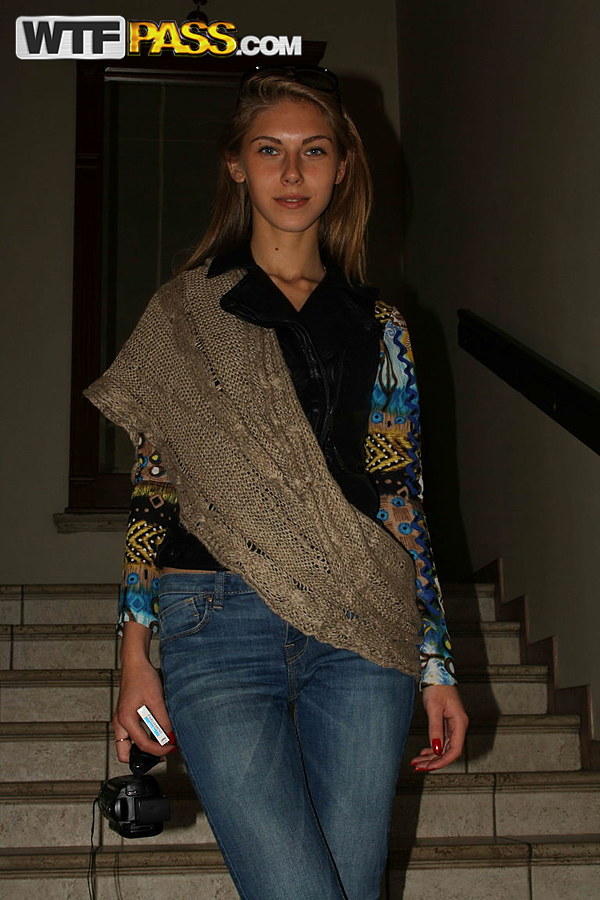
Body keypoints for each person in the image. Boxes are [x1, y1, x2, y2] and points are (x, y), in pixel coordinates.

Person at [86, 65, 468, 900]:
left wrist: (436, 663)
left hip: (362, 627)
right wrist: (134, 655)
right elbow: (155, 491)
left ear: (343, 167)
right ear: (236, 164)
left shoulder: (381, 327)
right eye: (269, 150)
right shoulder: (183, 316)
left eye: (314, 151)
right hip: (216, 620)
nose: (292, 173)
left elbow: (400, 496)